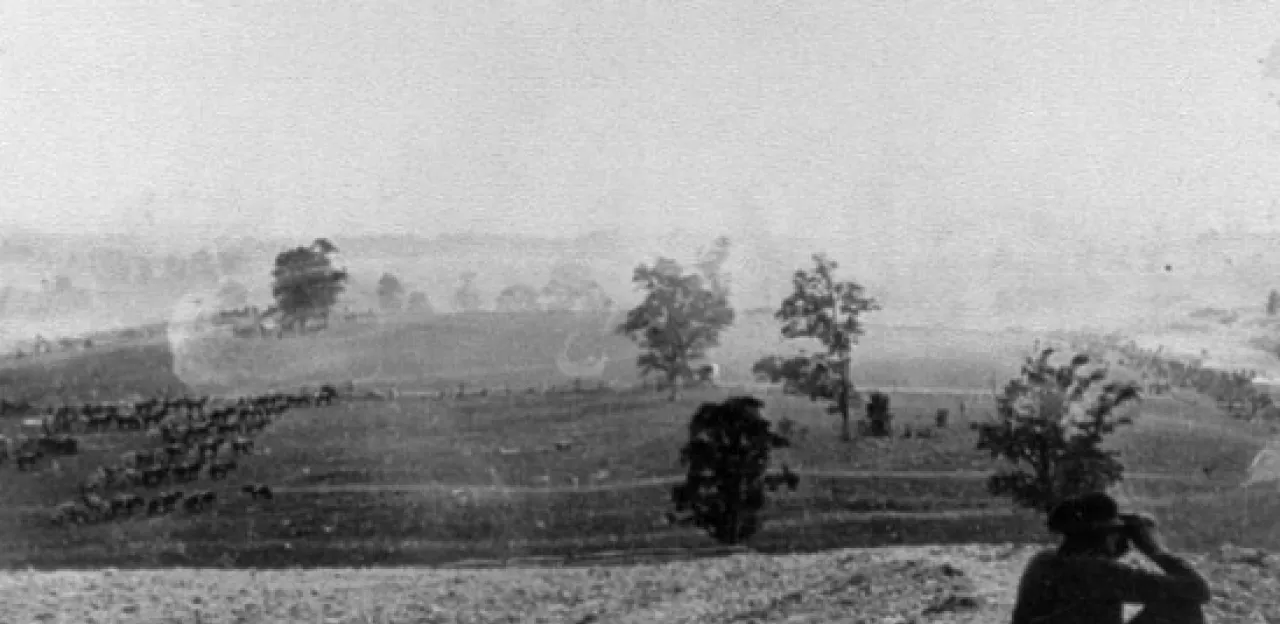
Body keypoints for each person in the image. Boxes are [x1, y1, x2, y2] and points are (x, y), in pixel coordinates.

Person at [1010, 491, 1210, 624]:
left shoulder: (1042, 560)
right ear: (1104, 535)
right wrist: (1154, 550)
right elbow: (1198, 589)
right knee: (1182, 605)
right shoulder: (1099, 571)